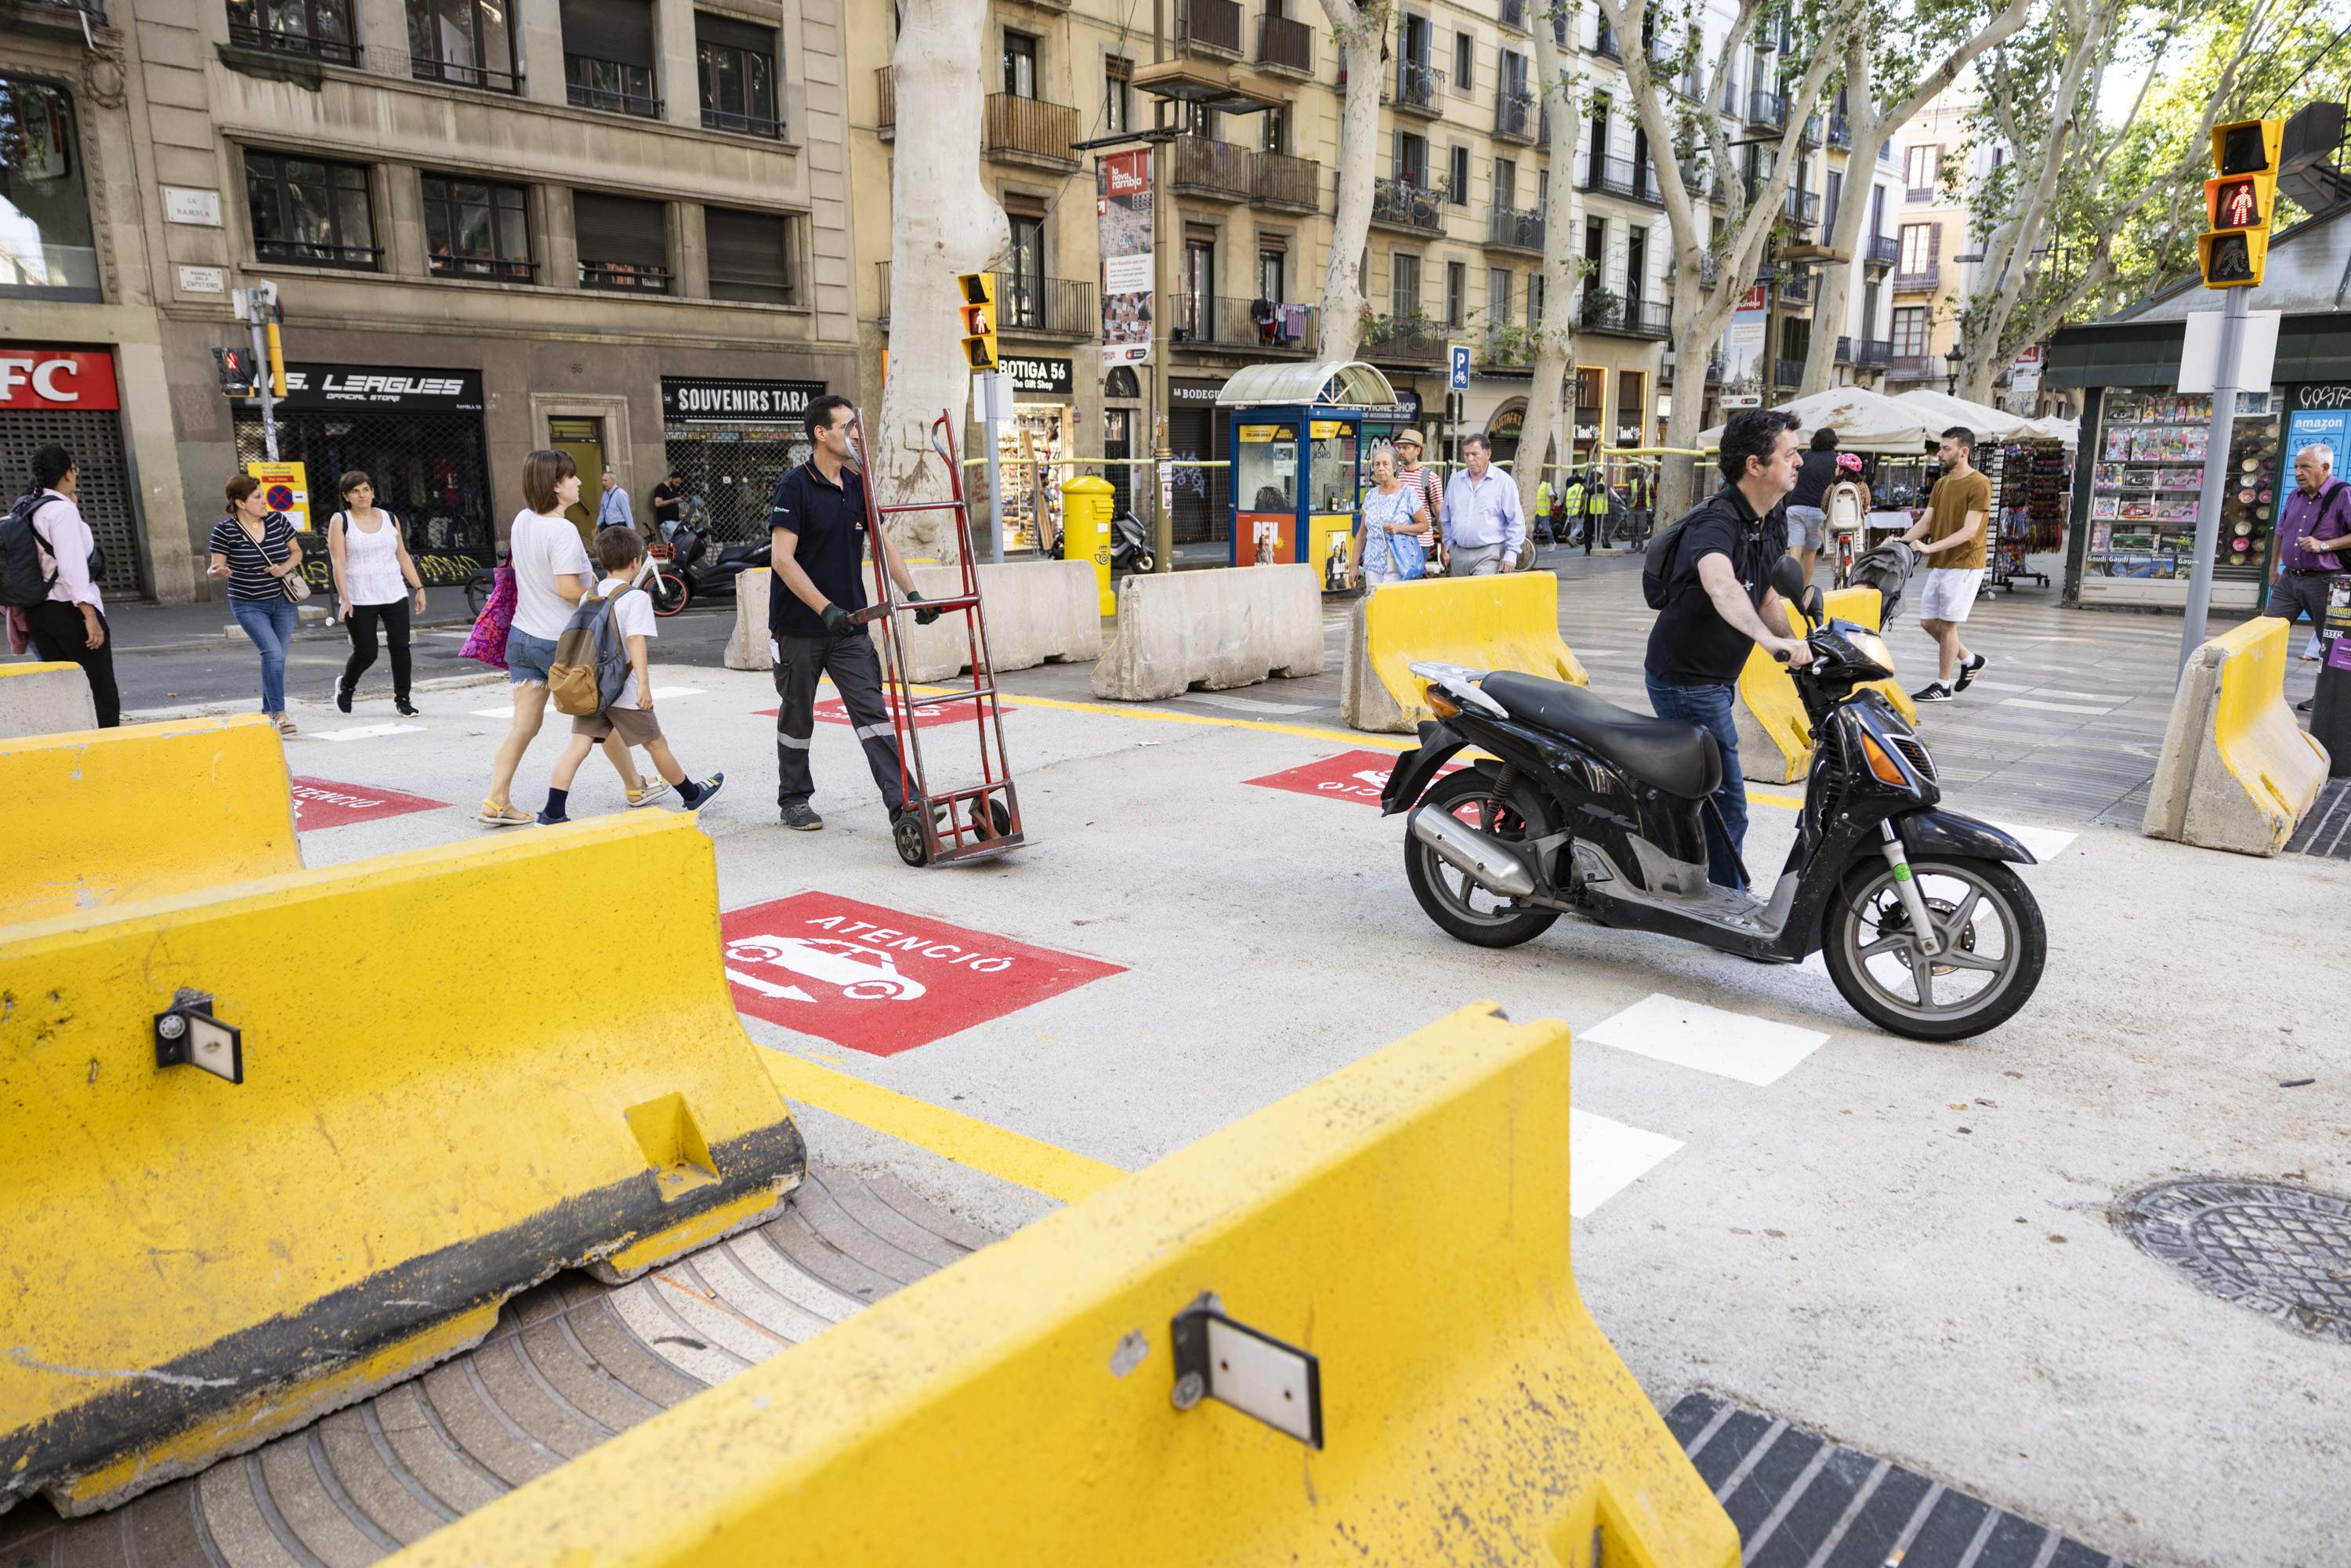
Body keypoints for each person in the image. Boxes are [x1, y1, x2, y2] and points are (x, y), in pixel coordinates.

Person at [1643, 408, 1807, 891]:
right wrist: (1769, 641)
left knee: (1694, 793)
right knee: (1726, 800)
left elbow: (1766, 594)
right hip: (1685, 681)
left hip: (1716, 679)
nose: (1799, 461)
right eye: (1790, 454)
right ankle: (1727, 902)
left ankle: (1670, 875)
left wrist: (1797, 642)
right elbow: (1723, 586)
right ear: (1755, 465)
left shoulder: (1770, 518)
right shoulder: (1716, 523)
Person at [769, 394, 936, 833]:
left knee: (871, 713)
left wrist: (914, 593)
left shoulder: (859, 485)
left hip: (850, 627)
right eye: (847, 426)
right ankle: (795, 799)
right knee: (797, 715)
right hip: (800, 627)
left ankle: (906, 804)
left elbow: (883, 543)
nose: (856, 434)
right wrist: (824, 608)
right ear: (821, 433)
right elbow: (782, 559)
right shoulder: (795, 486)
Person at [477, 449, 649, 826]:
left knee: (524, 725)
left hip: (522, 637)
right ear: (556, 486)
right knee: (600, 715)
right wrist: (598, 586)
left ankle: (496, 799)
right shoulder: (562, 530)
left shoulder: (523, 520)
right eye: (572, 477)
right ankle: (636, 787)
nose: (580, 482)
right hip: (563, 644)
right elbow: (568, 589)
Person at [537, 527, 725, 824]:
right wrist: (645, 687)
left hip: (594, 686)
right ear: (636, 562)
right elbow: (636, 642)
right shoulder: (635, 597)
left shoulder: (591, 594)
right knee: (655, 744)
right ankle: (692, 795)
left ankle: (552, 811)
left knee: (578, 746)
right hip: (623, 688)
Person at [13, 444, 118, 727]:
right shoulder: (61, 510)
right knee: (101, 692)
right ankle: (105, 756)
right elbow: (72, 568)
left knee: (64, 694)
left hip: (39, 614)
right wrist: (90, 616)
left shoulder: (27, 507)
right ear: (69, 473)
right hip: (69, 612)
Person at [208, 475, 306, 735]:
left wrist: (283, 567)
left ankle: (267, 711)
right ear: (240, 502)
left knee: (277, 658)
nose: (265, 501)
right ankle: (279, 714)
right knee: (272, 653)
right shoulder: (224, 530)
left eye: (263, 496)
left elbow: (296, 552)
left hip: (284, 601)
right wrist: (217, 572)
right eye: (257, 497)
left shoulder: (277, 521)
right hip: (248, 603)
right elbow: (214, 566)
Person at [1901, 426, 1994, 703]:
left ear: (1963, 452)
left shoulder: (1979, 484)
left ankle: (1942, 685)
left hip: (1965, 563)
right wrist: (1901, 542)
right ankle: (1970, 659)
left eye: (1946, 449)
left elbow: (1970, 531)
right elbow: (1927, 522)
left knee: (1948, 625)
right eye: (1940, 448)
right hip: (1943, 563)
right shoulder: (1942, 484)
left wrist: (1929, 547)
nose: (1940, 454)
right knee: (1929, 622)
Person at [326, 469, 426, 716]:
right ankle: (347, 685)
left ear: (373, 492)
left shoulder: (390, 518)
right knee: (366, 652)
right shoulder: (341, 520)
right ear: (346, 496)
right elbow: (338, 563)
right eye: (355, 492)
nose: (362, 496)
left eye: (366, 490)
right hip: (359, 596)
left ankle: (403, 699)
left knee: (401, 647)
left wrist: (419, 588)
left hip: (393, 592)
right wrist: (345, 598)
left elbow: (402, 556)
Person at [2266, 443, 2349, 646]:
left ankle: (2336, 679)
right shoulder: (2295, 495)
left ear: (2325, 468)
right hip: (2290, 579)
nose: (2298, 473)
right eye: (2295, 467)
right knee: (2265, 633)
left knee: (2334, 644)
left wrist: (2324, 545)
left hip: (2327, 582)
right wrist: (2273, 568)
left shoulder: (2344, 494)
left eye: (2305, 467)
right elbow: (2280, 532)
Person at [1348, 445, 1435, 589]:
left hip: (1397, 565)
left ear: (1394, 467)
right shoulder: (1371, 496)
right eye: (1377, 464)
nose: (1381, 468)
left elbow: (1424, 525)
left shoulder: (1408, 493)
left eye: (1385, 464)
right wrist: (1354, 565)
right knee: (1375, 608)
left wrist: (1399, 528)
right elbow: (1362, 534)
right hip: (1372, 566)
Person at [1440, 433, 1524, 575]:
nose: (1470, 459)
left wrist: (1512, 552)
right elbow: (1446, 518)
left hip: (1489, 554)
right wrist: (1449, 544)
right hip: (1459, 553)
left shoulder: (1503, 482)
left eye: (1475, 454)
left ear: (1488, 453)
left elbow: (1515, 521)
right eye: (1466, 455)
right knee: (1461, 597)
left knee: (1482, 596)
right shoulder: (1455, 481)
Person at [1786, 425, 1839, 586]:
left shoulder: (1805, 456)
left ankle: (1790, 589)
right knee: (1810, 554)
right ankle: (1802, 591)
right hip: (1819, 510)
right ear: (1833, 442)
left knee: (1795, 551)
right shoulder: (1836, 460)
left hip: (1796, 507)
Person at [1823, 453, 1871, 587]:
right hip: (1854, 525)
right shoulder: (1862, 485)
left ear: (1842, 470)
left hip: (1835, 525)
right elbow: (1866, 503)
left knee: (1822, 528)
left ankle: (1833, 559)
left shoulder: (1834, 485)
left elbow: (1824, 506)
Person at [648, 470, 686, 539]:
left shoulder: (674, 488)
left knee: (680, 543)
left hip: (676, 521)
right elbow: (658, 503)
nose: (677, 485)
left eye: (679, 484)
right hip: (667, 522)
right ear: (671, 478)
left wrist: (680, 498)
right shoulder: (660, 488)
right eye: (676, 482)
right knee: (674, 544)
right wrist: (673, 501)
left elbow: (673, 500)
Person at [596, 467, 635, 531]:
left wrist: (631, 530)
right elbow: (602, 511)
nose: (603, 483)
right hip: (608, 527)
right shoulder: (605, 494)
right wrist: (597, 525)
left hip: (619, 527)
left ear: (613, 481)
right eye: (602, 481)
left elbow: (627, 513)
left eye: (605, 480)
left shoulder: (621, 494)